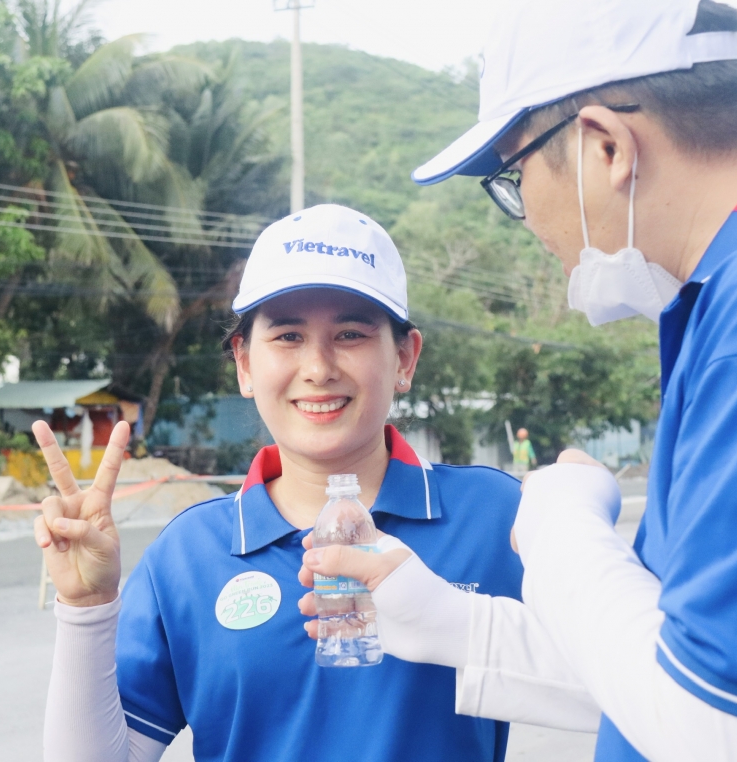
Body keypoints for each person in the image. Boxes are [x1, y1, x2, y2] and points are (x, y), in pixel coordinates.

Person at [298, 1, 737, 760]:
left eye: (513, 179)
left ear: (605, 145)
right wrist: (452, 622)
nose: (532, 222)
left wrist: (559, 529)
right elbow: (679, 666)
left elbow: (730, 736)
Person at [33, 204, 526, 762]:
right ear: (245, 363)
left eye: (350, 333)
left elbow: (630, 679)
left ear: (405, 358)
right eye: (288, 335)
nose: (318, 367)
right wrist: (87, 605)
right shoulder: (189, 556)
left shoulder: (497, 518)